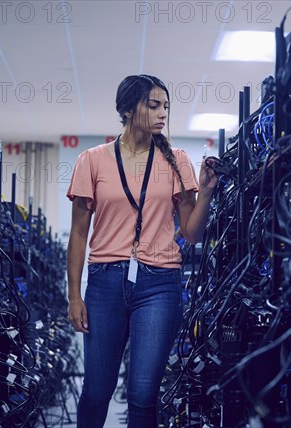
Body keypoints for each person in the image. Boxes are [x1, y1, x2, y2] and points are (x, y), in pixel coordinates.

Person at [66, 74, 218, 428]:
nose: (162, 112)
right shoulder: (92, 160)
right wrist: (74, 295)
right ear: (128, 109)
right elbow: (78, 232)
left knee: (143, 394)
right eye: (154, 105)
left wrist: (207, 194)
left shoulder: (177, 160)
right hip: (104, 283)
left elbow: (192, 235)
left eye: (165, 105)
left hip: (160, 284)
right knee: (97, 390)